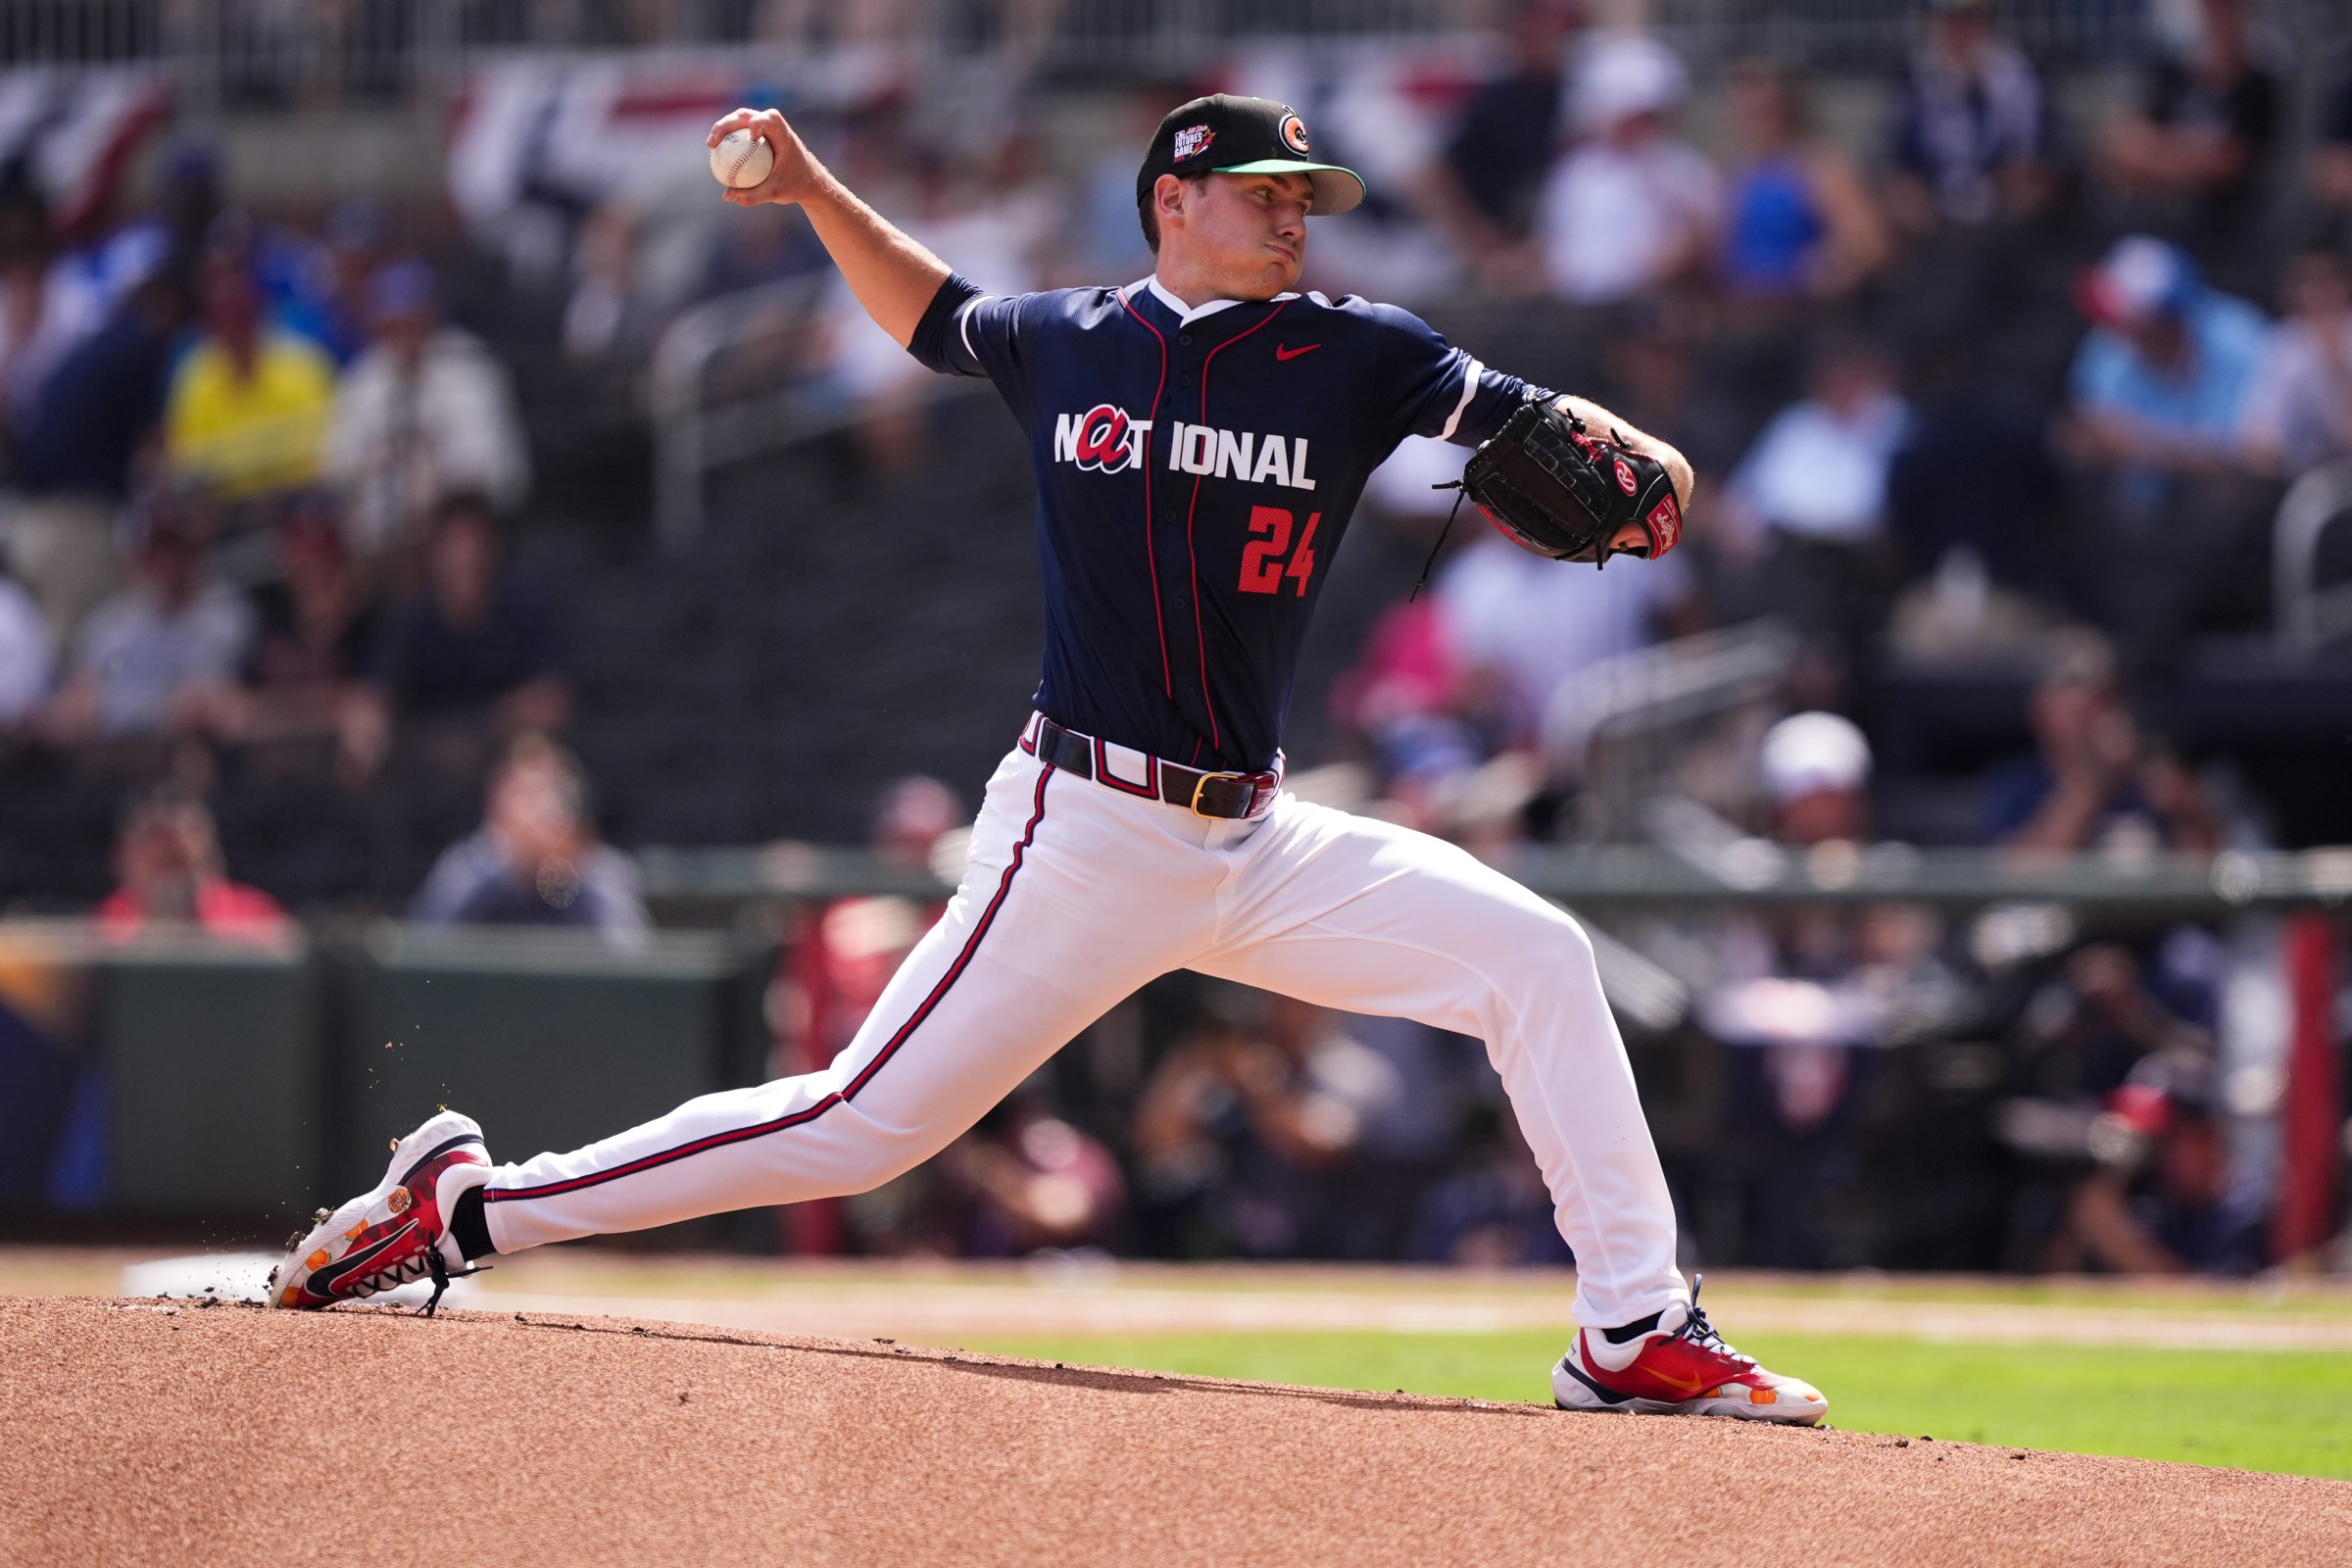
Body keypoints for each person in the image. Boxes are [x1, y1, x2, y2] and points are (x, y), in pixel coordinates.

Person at [273, 91, 1823, 1426]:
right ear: (1174, 200)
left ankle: (1633, 1332)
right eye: (1264, 194)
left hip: (1261, 838)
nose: (1295, 218)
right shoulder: (1071, 339)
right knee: (857, 1126)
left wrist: (1646, 467)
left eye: (1310, 198)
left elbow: (1599, 450)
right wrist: (814, 190)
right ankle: (468, 1206)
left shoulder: (1365, 355)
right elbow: (935, 315)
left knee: (1537, 956)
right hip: (1083, 827)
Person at [322, 260, 531, 556]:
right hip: (379, 544)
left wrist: (426, 485)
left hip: (456, 534)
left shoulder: (470, 367)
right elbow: (336, 465)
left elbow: (488, 472)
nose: (404, 335)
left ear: (430, 315)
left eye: (412, 321)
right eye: (393, 324)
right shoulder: (366, 377)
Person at [1532, 31, 1718, 305]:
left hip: (1649, 308)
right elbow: (1553, 245)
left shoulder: (1681, 168)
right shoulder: (1576, 171)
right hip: (1575, 309)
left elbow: (1698, 240)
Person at [408, 731, 649, 943]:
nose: (540, 809)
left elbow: (630, 957)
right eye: (525, 795)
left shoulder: (601, 869)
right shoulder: (466, 865)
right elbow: (425, 948)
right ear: (496, 802)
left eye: (552, 792)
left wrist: (569, 872)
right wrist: (514, 869)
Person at [39, 513, 250, 745]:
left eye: (173, 550)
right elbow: (76, 703)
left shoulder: (224, 616)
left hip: (194, 756)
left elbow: (203, 707)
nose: (165, 563)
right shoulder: (110, 621)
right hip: (113, 759)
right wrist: (156, 709)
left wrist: (107, 708)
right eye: (152, 553)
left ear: (193, 553)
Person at [162, 230, 338, 502]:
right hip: (224, 506)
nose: (235, 337)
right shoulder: (198, 374)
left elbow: (318, 457)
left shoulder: (303, 367)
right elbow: (188, 461)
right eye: (224, 326)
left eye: (242, 323)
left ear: (258, 321)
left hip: (291, 500)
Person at [2097, 0, 2278, 255]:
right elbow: (2123, 147)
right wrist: (2192, 160)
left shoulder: (2258, 86)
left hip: (2227, 236)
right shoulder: (2171, 75)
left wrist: (2157, 155)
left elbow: (2229, 164)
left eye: (2224, 10)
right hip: (2153, 229)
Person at [1714, 62, 1886, 303]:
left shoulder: (1818, 168)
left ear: (1788, 108)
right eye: (1743, 112)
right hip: (1742, 311)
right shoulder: (1737, 174)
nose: (1750, 121)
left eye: (1762, 112)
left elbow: (1869, 245)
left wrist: (1829, 267)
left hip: (1798, 316)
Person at [1888, 0, 2048, 232]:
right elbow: (1898, 155)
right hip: (1934, 204)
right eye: (1950, 22)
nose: (1959, 32)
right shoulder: (1914, 78)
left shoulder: (2019, 74)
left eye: (1968, 21)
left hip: (2002, 203)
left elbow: (2040, 150)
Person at [93, 785, 290, 945]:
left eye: (180, 862)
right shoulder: (106, 929)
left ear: (212, 854)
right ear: (121, 858)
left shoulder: (258, 921)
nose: (168, 851)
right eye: (159, 864)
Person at [2239, 243, 2352, 480]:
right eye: (2310, 284)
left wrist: (2335, 365)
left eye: (2329, 282)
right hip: (2315, 473)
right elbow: (2259, 445)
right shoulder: (2285, 346)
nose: (2321, 294)